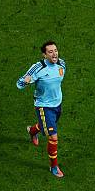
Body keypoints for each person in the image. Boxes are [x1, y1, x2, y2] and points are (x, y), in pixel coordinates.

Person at [17, 41, 66, 178]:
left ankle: (32, 131)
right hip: (44, 106)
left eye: (55, 50)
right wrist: (25, 81)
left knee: (45, 126)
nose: (54, 54)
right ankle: (54, 166)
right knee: (53, 136)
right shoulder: (38, 67)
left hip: (57, 104)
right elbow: (19, 83)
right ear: (44, 55)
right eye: (50, 52)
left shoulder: (62, 64)